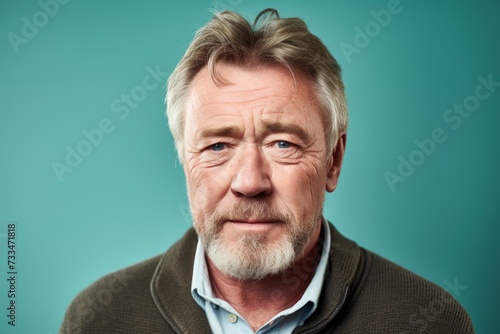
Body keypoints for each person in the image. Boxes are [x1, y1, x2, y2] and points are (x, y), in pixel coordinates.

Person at [60, 8, 474, 333]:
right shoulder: (99, 318)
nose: (249, 183)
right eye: (218, 145)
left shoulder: (428, 321)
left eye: (283, 144)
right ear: (186, 159)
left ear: (333, 160)